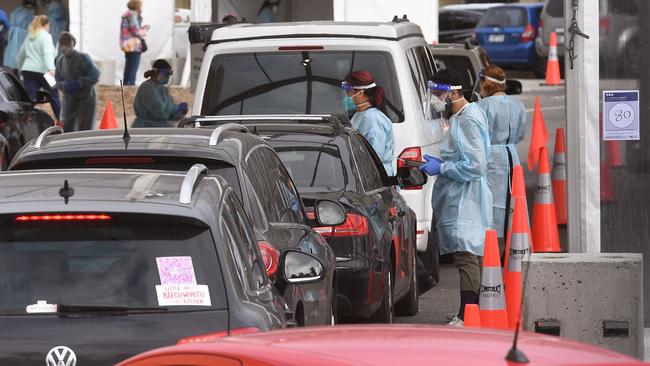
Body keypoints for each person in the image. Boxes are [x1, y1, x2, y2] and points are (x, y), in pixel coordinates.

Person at [419, 69, 492, 327]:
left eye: (439, 93)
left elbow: (476, 164)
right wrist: (442, 162)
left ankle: (468, 314)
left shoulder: (470, 118)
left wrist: (443, 168)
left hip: (468, 198)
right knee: (467, 255)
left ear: (452, 91)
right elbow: (461, 155)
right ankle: (467, 311)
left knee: (467, 255)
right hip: (459, 195)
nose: (437, 98)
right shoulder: (460, 117)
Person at [477, 65, 526, 255]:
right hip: (512, 156)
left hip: (491, 157)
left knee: (491, 205)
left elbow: (478, 135)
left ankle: (493, 250)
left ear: (485, 83)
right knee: (512, 202)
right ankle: (511, 247)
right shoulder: (518, 105)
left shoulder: (483, 107)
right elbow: (520, 134)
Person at [342, 70, 395, 176]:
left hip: (375, 177)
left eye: (349, 91)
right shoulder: (360, 115)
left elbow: (375, 156)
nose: (346, 95)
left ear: (360, 93)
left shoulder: (372, 119)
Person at [55, 32, 100, 132]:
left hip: (86, 99)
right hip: (69, 100)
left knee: (85, 129)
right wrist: (63, 86)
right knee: (68, 128)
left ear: (73, 45)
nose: (64, 48)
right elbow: (57, 80)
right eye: (62, 44)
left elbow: (95, 75)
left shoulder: (83, 58)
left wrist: (79, 83)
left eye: (67, 44)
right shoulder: (60, 62)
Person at [18, 15, 60, 121]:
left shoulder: (29, 35)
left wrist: (20, 68)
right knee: (54, 95)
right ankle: (61, 120)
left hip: (28, 70)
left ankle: (27, 120)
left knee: (30, 99)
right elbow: (47, 54)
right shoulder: (46, 36)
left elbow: (21, 54)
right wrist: (51, 68)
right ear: (46, 25)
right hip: (44, 71)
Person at [132, 59, 188, 128]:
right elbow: (159, 112)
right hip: (146, 128)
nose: (167, 77)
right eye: (166, 74)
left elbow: (169, 109)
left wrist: (179, 112)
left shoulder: (162, 89)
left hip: (159, 128)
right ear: (156, 73)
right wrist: (174, 109)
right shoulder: (147, 88)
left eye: (169, 74)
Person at [120, 0, 149, 86]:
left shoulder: (126, 15)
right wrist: (143, 31)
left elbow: (130, 29)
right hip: (134, 44)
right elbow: (135, 30)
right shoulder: (133, 14)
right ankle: (131, 84)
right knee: (134, 66)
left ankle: (126, 84)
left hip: (127, 44)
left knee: (128, 65)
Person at [3, 0, 35, 70]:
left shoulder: (17, 11)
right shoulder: (26, 13)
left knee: (13, 53)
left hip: (15, 35)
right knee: (20, 53)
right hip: (22, 34)